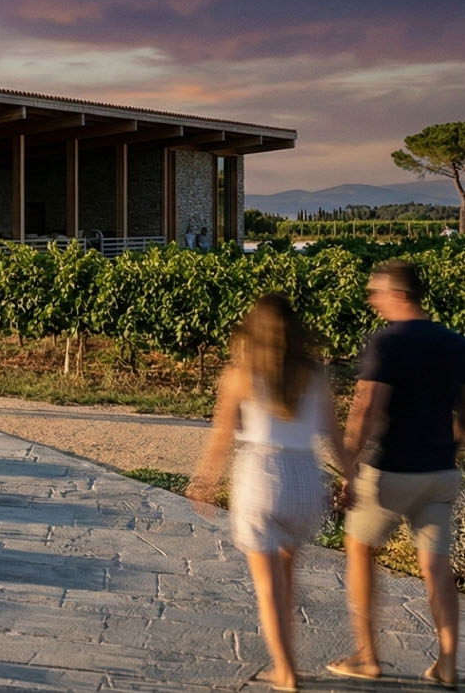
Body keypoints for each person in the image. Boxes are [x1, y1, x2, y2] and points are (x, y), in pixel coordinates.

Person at [188, 294, 349, 693]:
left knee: (267, 587)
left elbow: (222, 436)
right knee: (287, 578)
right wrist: (353, 478)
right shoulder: (314, 374)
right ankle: (288, 660)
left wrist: (205, 481)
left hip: (261, 476)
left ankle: (286, 671)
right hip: (305, 479)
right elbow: (334, 435)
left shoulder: (240, 374)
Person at [329, 260, 465, 687]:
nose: (373, 300)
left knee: (358, 548)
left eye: (378, 293)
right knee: (436, 566)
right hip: (440, 472)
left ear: (400, 295)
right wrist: (452, 446)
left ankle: (367, 657)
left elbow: (367, 408)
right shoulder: (456, 342)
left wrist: (349, 467)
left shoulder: (387, 342)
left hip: (390, 471)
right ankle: (447, 663)